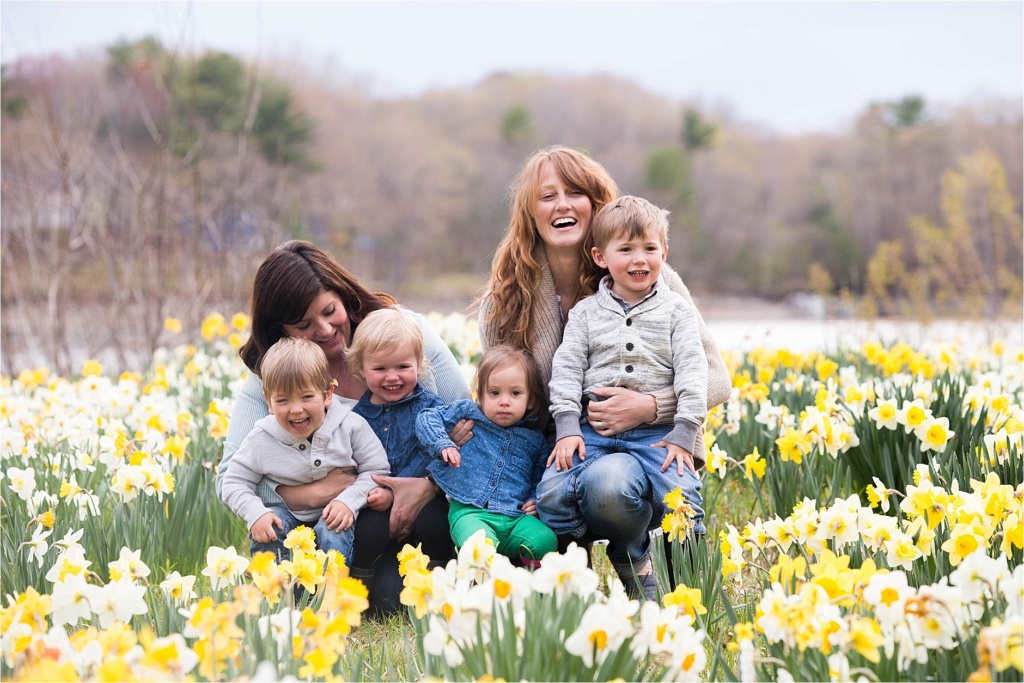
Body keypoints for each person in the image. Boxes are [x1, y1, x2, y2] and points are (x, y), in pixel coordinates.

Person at [476, 146, 731, 599]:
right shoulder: (507, 295)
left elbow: (716, 377)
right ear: (529, 212)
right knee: (570, 491)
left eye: (575, 192)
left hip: (655, 445)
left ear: (596, 203)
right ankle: (578, 576)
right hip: (560, 453)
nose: (562, 205)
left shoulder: (647, 273)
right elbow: (502, 397)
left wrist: (650, 406)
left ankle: (646, 566)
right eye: (547, 195)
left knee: (611, 483)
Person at [218, 240, 472, 616]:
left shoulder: (403, 332)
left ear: (342, 293)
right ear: (280, 330)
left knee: (406, 590)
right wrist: (309, 493)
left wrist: (426, 486)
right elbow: (232, 472)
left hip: (420, 514)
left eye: (329, 311)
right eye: (304, 325)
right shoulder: (276, 380)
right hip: (340, 528)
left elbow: (466, 423)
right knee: (359, 594)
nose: (324, 330)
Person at [544, 196, 708, 587]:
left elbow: (694, 372)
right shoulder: (585, 313)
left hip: (659, 437)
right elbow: (566, 370)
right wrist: (567, 426)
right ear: (601, 257)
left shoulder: (677, 312)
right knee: (551, 494)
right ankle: (578, 572)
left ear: (664, 253)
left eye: (650, 249)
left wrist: (684, 432)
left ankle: (687, 587)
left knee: (683, 500)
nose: (640, 260)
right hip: (592, 432)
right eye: (627, 249)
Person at [219, 337, 390, 563]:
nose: (296, 410)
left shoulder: (351, 426)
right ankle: (276, 593)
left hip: (336, 512)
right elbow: (232, 482)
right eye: (282, 400)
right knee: (269, 528)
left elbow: (377, 471)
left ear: (327, 394)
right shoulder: (260, 439)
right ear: (268, 401)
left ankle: (329, 595)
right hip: (286, 515)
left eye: (307, 397)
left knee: (333, 528)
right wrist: (256, 513)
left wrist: (348, 501)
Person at [416, 345, 557, 566]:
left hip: (515, 518)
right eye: (494, 393)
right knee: (480, 545)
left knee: (544, 540)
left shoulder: (534, 440)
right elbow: (427, 418)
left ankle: (527, 584)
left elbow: (538, 476)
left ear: (530, 401)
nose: (504, 401)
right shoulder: (467, 413)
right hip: (471, 512)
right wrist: (443, 443)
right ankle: (481, 584)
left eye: (515, 393)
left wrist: (533, 499)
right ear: (480, 395)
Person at [344, 308, 453, 566]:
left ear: (419, 363)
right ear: (361, 367)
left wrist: (395, 488)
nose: (392, 377)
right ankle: (361, 585)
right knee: (366, 531)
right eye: (380, 368)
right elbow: (351, 463)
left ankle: (438, 580)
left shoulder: (430, 408)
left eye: (403, 367)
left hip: (425, 497)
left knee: (436, 523)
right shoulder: (356, 417)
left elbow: (433, 454)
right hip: (377, 501)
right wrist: (377, 490)